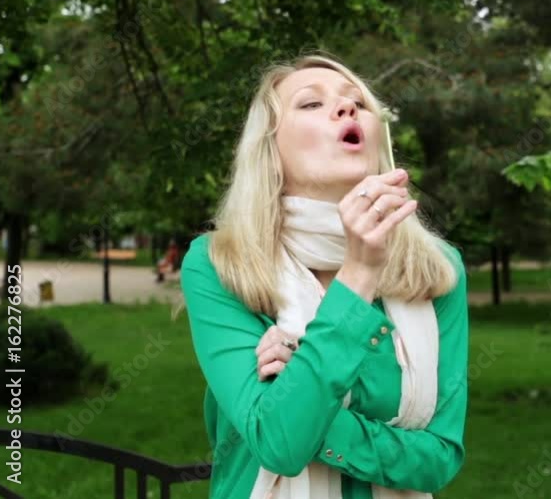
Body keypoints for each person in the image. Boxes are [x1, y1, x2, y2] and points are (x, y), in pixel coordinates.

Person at [176, 52, 469, 499]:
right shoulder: (219, 264)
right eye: (311, 104)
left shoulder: (438, 268)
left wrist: (310, 409)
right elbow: (279, 445)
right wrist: (360, 271)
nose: (347, 109)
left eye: (358, 103)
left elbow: (439, 459)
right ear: (270, 151)